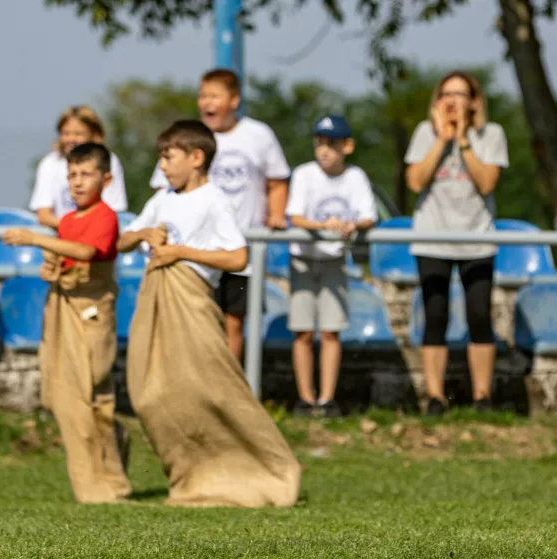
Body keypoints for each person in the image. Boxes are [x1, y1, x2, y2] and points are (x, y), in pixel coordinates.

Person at [120, 120, 300, 507]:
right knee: (151, 395)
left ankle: (270, 472)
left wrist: (181, 252)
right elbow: (123, 240)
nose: (162, 166)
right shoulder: (161, 200)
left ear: (196, 158)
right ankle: (193, 475)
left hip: (193, 300)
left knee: (214, 390)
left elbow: (237, 257)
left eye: (168, 157)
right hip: (155, 296)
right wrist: (143, 235)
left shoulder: (214, 201)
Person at [3, 143, 130, 503]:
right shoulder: (69, 220)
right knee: (67, 395)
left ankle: (110, 474)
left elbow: (87, 252)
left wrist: (34, 238)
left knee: (94, 393)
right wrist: (51, 265)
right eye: (72, 174)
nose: (77, 181)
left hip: (92, 313)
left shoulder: (105, 216)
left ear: (106, 180)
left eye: (86, 174)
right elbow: (66, 259)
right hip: (64, 309)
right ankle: (92, 482)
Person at [150, 69, 291, 361]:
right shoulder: (187, 137)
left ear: (234, 100)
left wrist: (276, 214)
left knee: (233, 320)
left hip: (239, 249)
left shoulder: (259, 135)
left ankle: (228, 380)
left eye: (214, 96)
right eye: (203, 96)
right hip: (195, 247)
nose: (207, 103)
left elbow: (277, 181)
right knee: (197, 318)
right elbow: (164, 187)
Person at [404, 70, 509, 417]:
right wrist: (441, 139)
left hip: (477, 238)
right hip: (432, 238)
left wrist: (462, 138)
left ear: (474, 102)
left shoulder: (491, 134)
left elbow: (487, 183)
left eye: (460, 94)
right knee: (435, 316)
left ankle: (482, 397)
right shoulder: (425, 132)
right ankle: (434, 397)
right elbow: (415, 182)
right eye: (446, 94)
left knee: (479, 315)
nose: (452, 101)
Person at [286, 115, 378, 418]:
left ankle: (327, 400)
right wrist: (325, 225)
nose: (324, 150)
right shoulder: (304, 174)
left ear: (347, 146)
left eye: (331, 144)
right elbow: (296, 217)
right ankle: (304, 398)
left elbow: (368, 216)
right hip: (303, 260)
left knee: (330, 331)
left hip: (334, 260)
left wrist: (352, 225)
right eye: (319, 143)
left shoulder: (356, 177)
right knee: (302, 331)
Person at [30, 106, 128, 228]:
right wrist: (73, 229)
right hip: (60, 233)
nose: (71, 139)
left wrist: (82, 231)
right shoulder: (49, 163)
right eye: (66, 133)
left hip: (97, 231)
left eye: (79, 134)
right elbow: (43, 214)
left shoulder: (109, 161)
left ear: (94, 134)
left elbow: (114, 210)